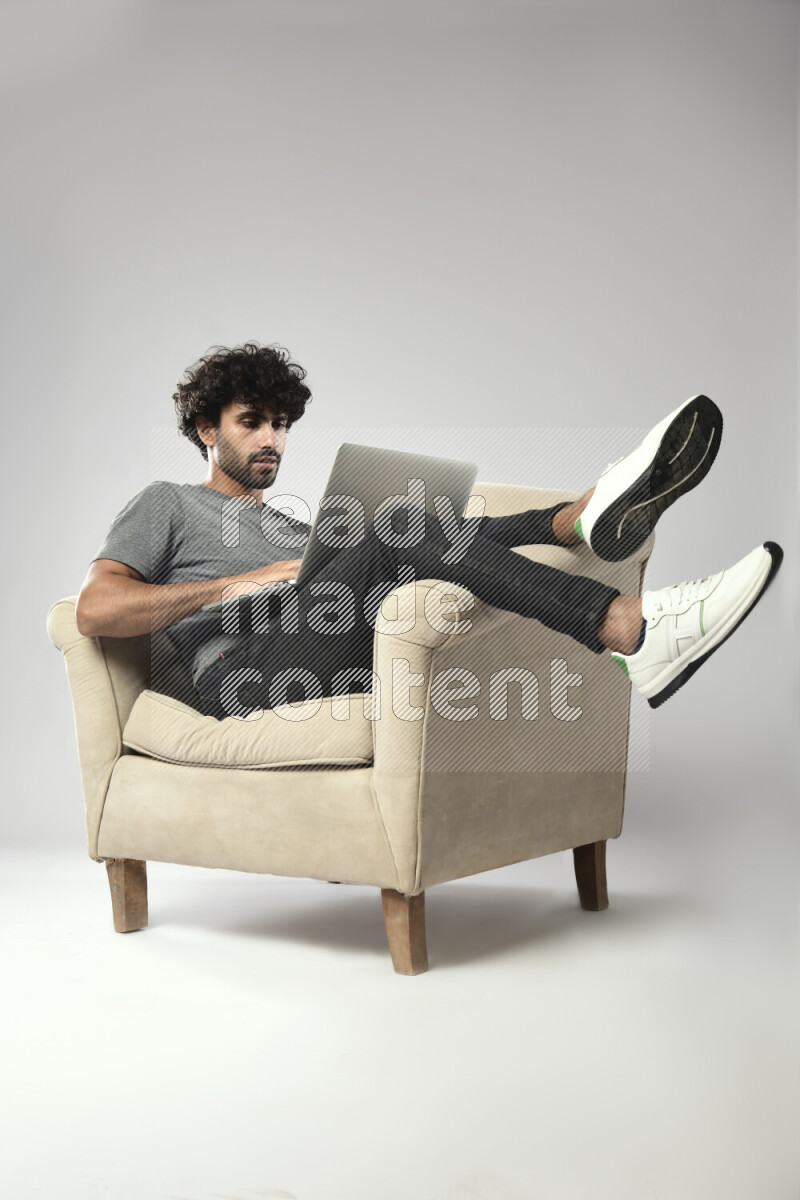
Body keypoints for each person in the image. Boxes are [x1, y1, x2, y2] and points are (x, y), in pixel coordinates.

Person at [76, 342, 783, 721]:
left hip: (331, 647)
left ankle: (577, 516)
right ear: (206, 429)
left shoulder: (295, 524)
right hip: (240, 677)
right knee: (389, 527)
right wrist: (242, 582)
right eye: (252, 422)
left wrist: (549, 523)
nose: (273, 439)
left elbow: (437, 539)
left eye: (282, 424)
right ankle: (632, 630)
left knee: (415, 529)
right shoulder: (166, 503)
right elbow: (95, 610)